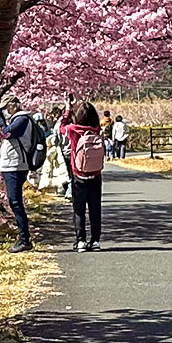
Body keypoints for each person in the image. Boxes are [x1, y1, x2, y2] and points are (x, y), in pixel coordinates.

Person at [0, 95, 49, 252]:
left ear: (14, 105)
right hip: (11, 165)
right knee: (14, 201)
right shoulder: (17, 119)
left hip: (16, 165)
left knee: (15, 201)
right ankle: (24, 238)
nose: (6, 110)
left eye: (6, 107)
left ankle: (24, 239)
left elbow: (7, 133)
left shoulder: (22, 119)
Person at [57, 101, 106, 252]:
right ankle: (95, 241)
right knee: (95, 208)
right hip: (96, 174)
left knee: (79, 209)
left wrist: (67, 110)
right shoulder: (96, 129)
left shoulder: (73, 129)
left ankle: (81, 241)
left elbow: (61, 128)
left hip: (78, 174)